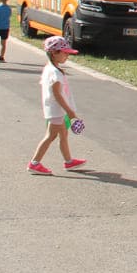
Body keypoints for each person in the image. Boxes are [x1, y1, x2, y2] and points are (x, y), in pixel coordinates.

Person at [27, 36, 86, 174]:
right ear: (54, 53)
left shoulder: (51, 68)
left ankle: (69, 161)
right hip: (57, 111)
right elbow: (57, 95)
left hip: (56, 111)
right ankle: (34, 163)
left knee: (63, 135)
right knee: (51, 136)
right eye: (64, 53)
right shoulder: (55, 73)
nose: (67, 55)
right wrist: (70, 112)